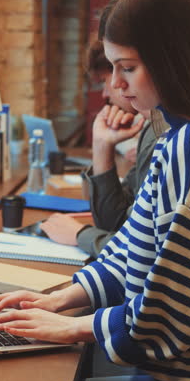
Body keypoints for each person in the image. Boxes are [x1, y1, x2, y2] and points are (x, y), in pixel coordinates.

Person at [0, 0, 190, 381]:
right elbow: (130, 247)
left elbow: (171, 309)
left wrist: (74, 327)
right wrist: (59, 300)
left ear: (170, 59)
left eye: (127, 67)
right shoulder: (175, 134)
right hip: (180, 378)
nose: (116, 84)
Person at [41, 40, 165, 258]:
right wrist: (101, 147)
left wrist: (81, 235)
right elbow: (117, 221)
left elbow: (141, 250)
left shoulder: (161, 135)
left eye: (127, 69)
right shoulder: (151, 129)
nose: (110, 90)